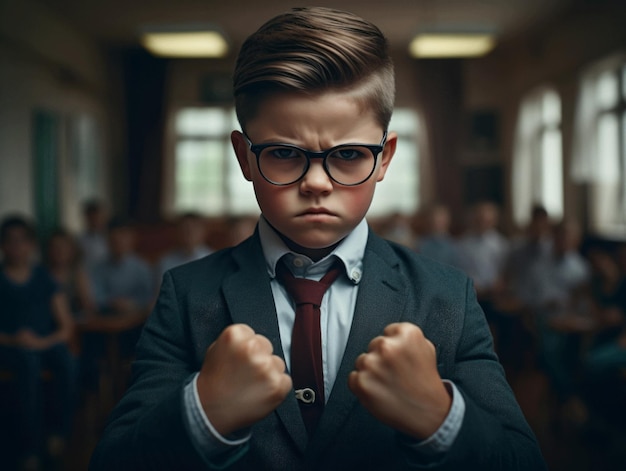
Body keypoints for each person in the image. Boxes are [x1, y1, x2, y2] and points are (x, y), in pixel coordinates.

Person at [91, 7, 546, 470]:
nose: (316, 183)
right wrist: (201, 413)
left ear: (385, 157)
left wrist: (439, 418)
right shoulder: (187, 295)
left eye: (348, 154)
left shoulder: (447, 296)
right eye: (285, 153)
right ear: (245, 158)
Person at [0, 215, 77, 470]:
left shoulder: (43, 278)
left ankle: (58, 433)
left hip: (44, 343)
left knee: (67, 360)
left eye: (22, 241)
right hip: (10, 347)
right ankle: (30, 447)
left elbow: (66, 326)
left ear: (31, 245)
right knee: (27, 363)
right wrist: (14, 339)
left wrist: (42, 342)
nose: (16, 247)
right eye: (9, 241)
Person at [44, 229, 96, 319]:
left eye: (63, 247)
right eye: (55, 247)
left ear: (72, 250)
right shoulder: (43, 276)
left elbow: (89, 306)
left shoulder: (78, 275)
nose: (60, 252)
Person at [156, 212, 213, 280]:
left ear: (203, 232)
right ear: (177, 232)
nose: (189, 233)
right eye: (185, 229)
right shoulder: (166, 261)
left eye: (194, 229)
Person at [77, 199, 110, 272]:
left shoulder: (110, 238)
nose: (95, 221)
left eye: (98, 217)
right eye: (92, 218)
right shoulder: (81, 240)